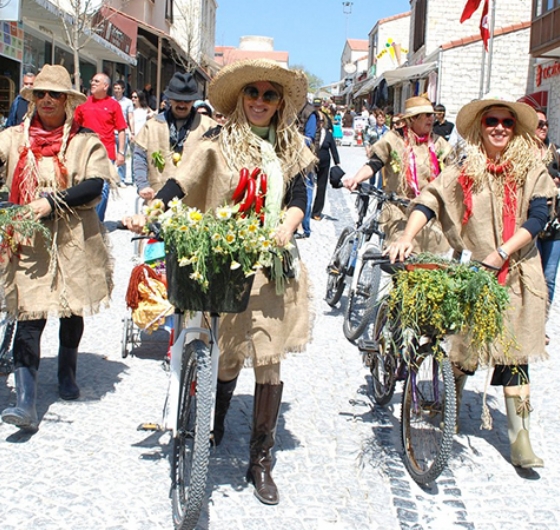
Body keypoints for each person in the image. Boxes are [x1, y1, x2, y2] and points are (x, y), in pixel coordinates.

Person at [123, 58, 315, 505]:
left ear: (280, 102)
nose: (261, 102)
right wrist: (149, 213)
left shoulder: (291, 146)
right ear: (240, 97)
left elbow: (300, 195)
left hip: (273, 265)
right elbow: (180, 183)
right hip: (226, 262)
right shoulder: (215, 142)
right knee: (226, 357)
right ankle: (214, 426)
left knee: (269, 359)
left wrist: (287, 225)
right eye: (253, 93)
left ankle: (260, 461)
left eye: (270, 95)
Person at [387, 95, 555, 469]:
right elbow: (429, 200)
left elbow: (539, 218)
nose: (499, 127)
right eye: (492, 120)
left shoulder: (532, 169)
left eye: (507, 123)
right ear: (481, 126)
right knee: (464, 349)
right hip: (477, 273)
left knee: (516, 355)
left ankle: (520, 439)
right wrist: (407, 236)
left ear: (516, 129)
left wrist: (503, 252)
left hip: (519, 275)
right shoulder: (465, 168)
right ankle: (450, 407)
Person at [0, 65, 113, 431]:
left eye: (56, 95)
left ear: (68, 100)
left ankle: (67, 371)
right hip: (28, 240)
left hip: (72, 238)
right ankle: (26, 403)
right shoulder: (12, 139)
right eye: (41, 94)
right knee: (29, 316)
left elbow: (95, 185)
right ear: (32, 99)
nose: (47, 100)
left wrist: (52, 203)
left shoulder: (84, 141)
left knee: (70, 309)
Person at [343, 96, 452, 253]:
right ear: (412, 119)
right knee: (401, 253)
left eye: (432, 115)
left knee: (430, 256)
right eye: (426, 115)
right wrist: (356, 179)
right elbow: (374, 163)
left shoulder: (439, 143)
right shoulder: (393, 139)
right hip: (398, 208)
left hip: (429, 210)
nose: (431, 119)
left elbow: (452, 171)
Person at [132, 72, 215, 202]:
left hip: (195, 206)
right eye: (177, 100)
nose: (182, 104)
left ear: (193, 100)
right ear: (169, 99)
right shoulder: (152, 126)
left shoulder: (209, 126)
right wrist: (143, 185)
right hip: (157, 200)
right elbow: (139, 157)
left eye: (187, 101)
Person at [74, 73, 126, 221]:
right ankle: (85, 219)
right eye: (92, 80)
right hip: (84, 152)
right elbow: (75, 127)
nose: (93, 83)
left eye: (97, 81)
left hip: (105, 153)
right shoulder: (83, 103)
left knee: (103, 187)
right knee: (84, 186)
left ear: (105, 86)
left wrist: (121, 152)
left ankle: (97, 221)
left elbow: (121, 129)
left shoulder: (113, 105)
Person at [535, 109, 560, 332]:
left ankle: (540, 324)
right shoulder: (522, 153)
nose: (543, 128)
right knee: (532, 274)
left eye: (545, 124)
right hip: (531, 222)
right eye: (538, 124)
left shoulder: (555, 152)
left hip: (554, 223)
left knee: (549, 277)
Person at [295, 97, 320, 239]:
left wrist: (293, 137)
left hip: (306, 158)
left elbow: (309, 137)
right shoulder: (290, 109)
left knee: (306, 191)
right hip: (292, 157)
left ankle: (305, 228)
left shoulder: (310, 113)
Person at [311, 114, 340, 220]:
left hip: (324, 164)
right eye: (317, 120)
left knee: (321, 187)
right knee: (309, 186)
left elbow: (333, 149)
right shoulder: (311, 132)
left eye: (321, 121)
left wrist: (337, 163)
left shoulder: (328, 134)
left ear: (324, 122)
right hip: (311, 162)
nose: (319, 122)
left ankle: (316, 212)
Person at [113, 79, 135, 186]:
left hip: (123, 132)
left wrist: (132, 132)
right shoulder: (110, 100)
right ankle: (111, 178)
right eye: (115, 88)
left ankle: (121, 179)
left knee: (122, 155)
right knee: (110, 156)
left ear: (123, 90)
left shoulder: (128, 102)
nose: (116, 91)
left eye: (119, 89)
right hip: (111, 132)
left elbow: (130, 117)